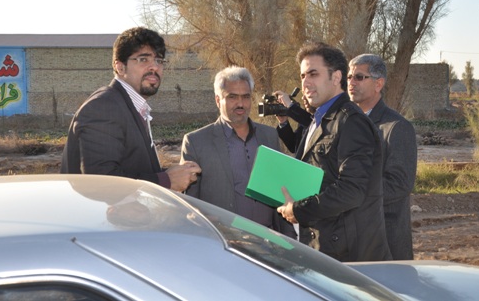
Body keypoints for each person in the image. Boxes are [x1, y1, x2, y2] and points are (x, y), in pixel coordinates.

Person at [277, 42, 390, 261]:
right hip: (323, 245)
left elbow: (351, 190)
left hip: (348, 256)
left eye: (313, 74)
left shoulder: (351, 122)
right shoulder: (318, 119)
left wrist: (299, 210)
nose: (306, 82)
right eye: (303, 76)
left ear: (336, 77)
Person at [61, 27, 200, 192]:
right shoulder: (104, 107)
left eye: (159, 60)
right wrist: (166, 180)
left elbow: (131, 170)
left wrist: (174, 174)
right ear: (120, 67)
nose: (154, 67)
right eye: (143, 59)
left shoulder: (130, 105)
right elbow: (100, 181)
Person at [180, 66, 296, 237]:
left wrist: (289, 238)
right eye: (232, 97)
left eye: (246, 97)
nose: (240, 104)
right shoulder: (196, 142)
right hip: (223, 242)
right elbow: (190, 205)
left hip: (270, 240)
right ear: (218, 100)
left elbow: (281, 190)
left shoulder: (270, 136)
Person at [348, 53, 417, 260]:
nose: (351, 82)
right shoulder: (346, 124)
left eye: (359, 77)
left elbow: (399, 185)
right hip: (350, 241)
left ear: (378, 84)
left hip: (385, 244)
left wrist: (350, 195)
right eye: (349, 77)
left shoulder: (397, 127)